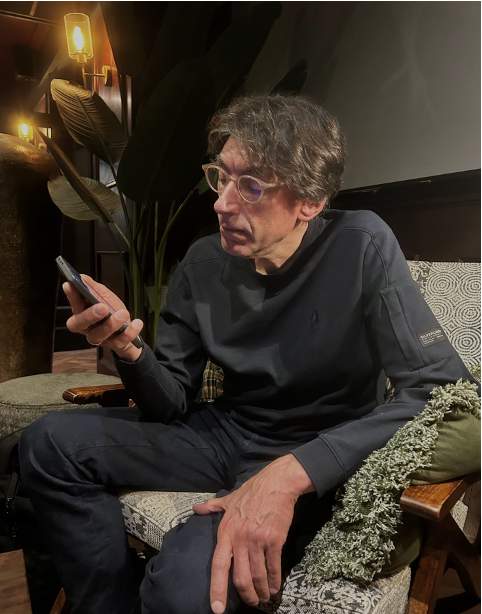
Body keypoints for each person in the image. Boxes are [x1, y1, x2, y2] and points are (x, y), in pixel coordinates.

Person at [19, 94, 474, 614]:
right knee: (48, 444)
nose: (222, 203)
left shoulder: (361, 244)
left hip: (314, 448)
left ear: (309, 201)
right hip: (222, 432)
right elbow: (171, 402)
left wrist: (290, 473)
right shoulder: (203, 261)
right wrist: (127, 347)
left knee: (185, 594)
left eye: (251, 186)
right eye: (222, 177)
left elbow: (439, 386)